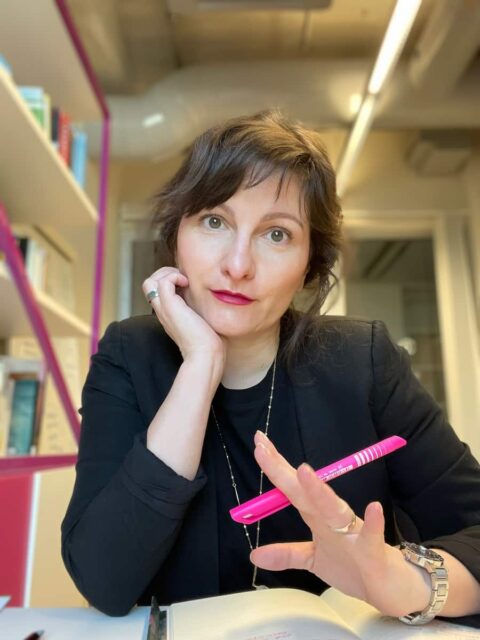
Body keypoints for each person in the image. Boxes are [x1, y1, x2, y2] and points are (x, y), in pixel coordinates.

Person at [61, 110, 480, 625]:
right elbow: (103, 579)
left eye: (276, 234)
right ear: (177, 236)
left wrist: (411, 583)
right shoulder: (129, 355)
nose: (238, 265)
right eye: (215, 221)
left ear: (309, 265)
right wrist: (200, 365)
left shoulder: (362, 361)